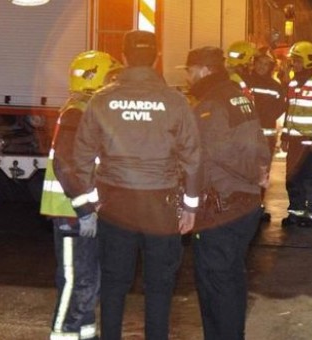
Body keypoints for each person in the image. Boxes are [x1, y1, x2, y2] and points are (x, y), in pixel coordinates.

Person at [69, 31, 202, 340]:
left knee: (115, 284)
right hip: (161, 205)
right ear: (156, 58)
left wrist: (92, 201)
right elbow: (193, 158)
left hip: (116, 205)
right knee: (159, 285)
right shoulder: (175, 101)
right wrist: (190, 206)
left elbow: (82, 157)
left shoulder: (102, 99)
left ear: (125, 57)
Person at [181, 46, 271, 340]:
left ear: (205, 70)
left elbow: (207, 156)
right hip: (242, 204)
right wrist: (257, 175)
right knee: (228, 279)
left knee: (217, 284)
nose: (188, 77)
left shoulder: (212, 104)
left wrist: (190, 202)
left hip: (223, 207)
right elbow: (255, 143)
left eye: (190, 71)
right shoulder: (236, 95)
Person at [40, 50, 122, 340]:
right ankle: (62, 334)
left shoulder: (88, 109)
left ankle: (85, 333)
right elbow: (66, 163)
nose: (115, 82)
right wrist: (85, 209)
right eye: (111, 77)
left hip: (79, 212)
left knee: (88, 281)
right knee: (75, 280)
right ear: (94, 78)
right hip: (72, 214)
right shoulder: (77, 112)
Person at [280, 41, 312, 228]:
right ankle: (296, 212)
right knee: (293, 178)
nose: (294, 64)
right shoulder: (293, 83)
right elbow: (290, 111)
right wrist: (285, 136)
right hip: (294, 141)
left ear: (308, 60)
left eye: (297, 60)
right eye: (293, 61)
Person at [246, 46, 286, 222]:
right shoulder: (246, 82)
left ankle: (257, 206)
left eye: (265, 64)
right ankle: (247, 206)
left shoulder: (275, 86)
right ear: (253, 64)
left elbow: (281, 107)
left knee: (263, 173)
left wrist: (267, 117)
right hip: (247, 136)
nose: (262, 67)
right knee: (246, 170)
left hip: (267, 136)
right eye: (259, 63)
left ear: (270, 67)